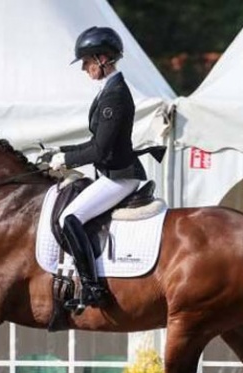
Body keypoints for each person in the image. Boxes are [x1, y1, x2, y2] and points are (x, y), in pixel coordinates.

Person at [42, 26, 147, 313]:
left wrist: (66, 162)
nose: (85, 69)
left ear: (103, 59)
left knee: (69, 218)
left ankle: (92, 287)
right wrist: (62, 153)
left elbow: (100, 150)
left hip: (120, 177)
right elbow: (94, 141)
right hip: (112, 173)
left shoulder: (115, 95)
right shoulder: (108, 90)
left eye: (87, 62)